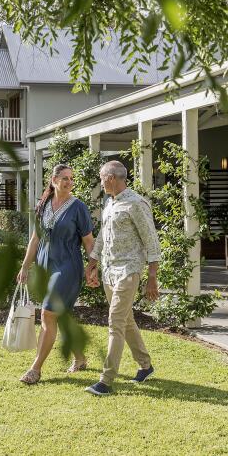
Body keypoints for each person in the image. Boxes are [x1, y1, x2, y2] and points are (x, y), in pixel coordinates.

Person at [83, 160, 161, 396]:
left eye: (102, 178)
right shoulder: (110, 203)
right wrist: (92, 263)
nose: (101, 182)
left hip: (129, 270)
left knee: (115, 321)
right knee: (126, 321)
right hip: (109, 271)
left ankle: (106, 381)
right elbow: (102, 237)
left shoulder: (136, 203)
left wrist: (152, 277)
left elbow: (151, 241)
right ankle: (145, 366)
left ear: (111, 178)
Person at [16, 163, 96, 385]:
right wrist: (25, 266)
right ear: (54, 180)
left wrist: (93, 266)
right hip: (46, 267)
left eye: (72, 178)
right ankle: (80, 358)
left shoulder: (78, 207)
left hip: (67, 267)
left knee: (48, 314)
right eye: (65, 178)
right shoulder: (43, 205)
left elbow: (89, 241)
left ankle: (35, 369)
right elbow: (35, 239)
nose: (70, 182)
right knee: (61, 315)